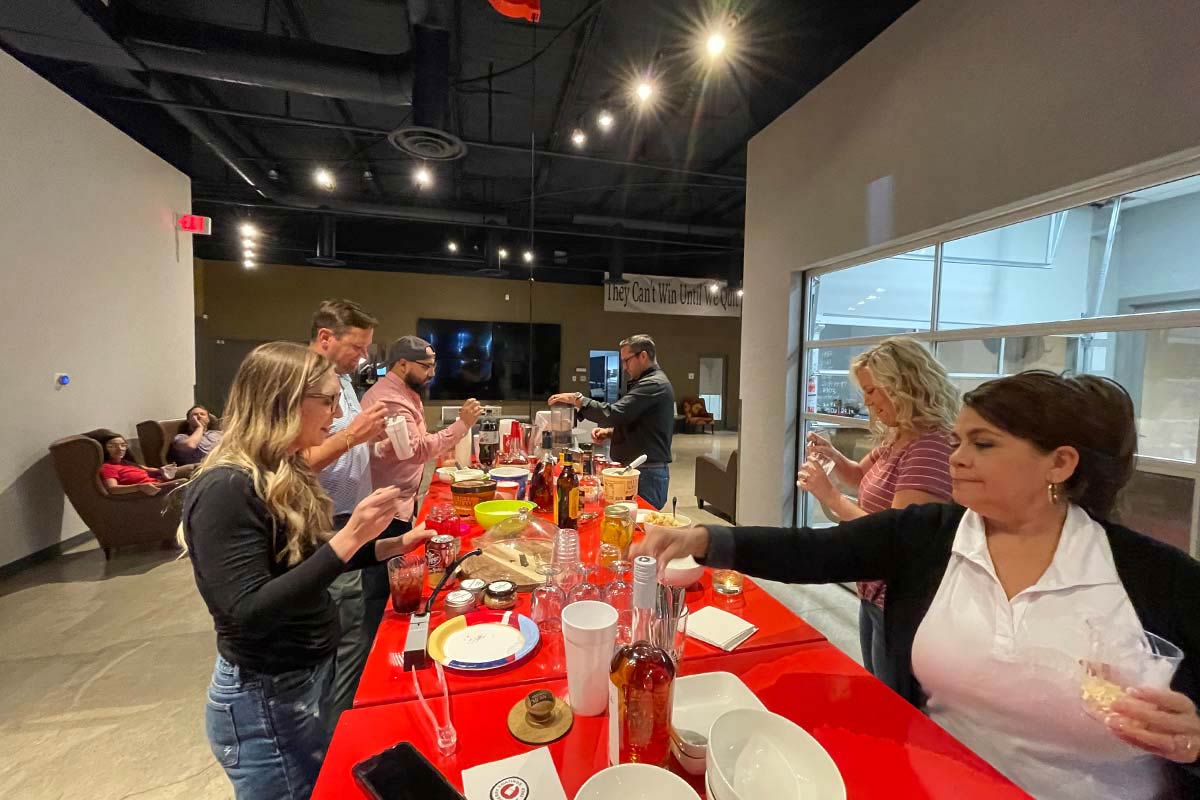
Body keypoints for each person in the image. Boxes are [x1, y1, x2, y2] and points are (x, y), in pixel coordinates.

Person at [635, 371, 1200, 799]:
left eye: (983, 444)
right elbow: (814, 551)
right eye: (957, 441)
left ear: (1059, 463)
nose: (955, 459)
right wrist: (706, 540)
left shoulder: (1157, 578)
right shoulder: (932, 535)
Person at [182, 342, 433, 800]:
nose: (338, 416)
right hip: (264, 699)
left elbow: (307, 553)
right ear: (283, 401)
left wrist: (389, 544)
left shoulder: (281, 469)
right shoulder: (226, 487)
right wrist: (348, 537)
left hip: (301, 681)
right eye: (328, 401)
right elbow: (247, 611)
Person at [798, 337, 958, 686]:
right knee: (877, 681)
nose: (867, 401)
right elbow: (859, 476)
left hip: (900, 599)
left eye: (872, 391)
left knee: (895, 695)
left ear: (903, 388)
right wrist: (833, 456)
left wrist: (831, 497)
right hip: (874, 587)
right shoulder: (900, 436)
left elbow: (897, 539)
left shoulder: (929, 448)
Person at [361, 335, 481, 636]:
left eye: (434, 366)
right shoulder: (390, 398)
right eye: (426, 366)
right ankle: (375, 657)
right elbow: (415, 450)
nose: (432, 373)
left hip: (399, 501)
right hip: (386, 509)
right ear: (402, 364)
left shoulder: (406, 392)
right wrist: (461, 425)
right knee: (384, 594)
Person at [304, 299, 389, 721]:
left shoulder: (344, 382)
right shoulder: (302, 384)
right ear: (325, 338)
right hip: (323, 522)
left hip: (353, 516)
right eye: (357, 347)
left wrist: (373, 440)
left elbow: (350, 439)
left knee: (359, 622)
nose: (364, 357)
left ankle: (348, 710)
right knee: (344, 630)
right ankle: (338, 726)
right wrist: (353, 437)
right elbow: (293, 461)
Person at [549, 334, 675, 509]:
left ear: (643, 356)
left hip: (647, 473)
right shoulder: (646, 383)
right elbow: (642, 424)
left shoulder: (654, 384)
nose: (624, 367)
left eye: (627, 360)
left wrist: (579, 400)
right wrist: (610, 433)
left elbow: (616, 413)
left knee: (641, 528)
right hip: (642, 470)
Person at [92, 430, 177, 495]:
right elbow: (112, 489)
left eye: (123, 445)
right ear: (104, 449)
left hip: (160, 483)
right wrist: (139, 487)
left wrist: (162, 470)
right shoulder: (108, 467)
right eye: (112, 446)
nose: (120, 449)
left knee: (188, 469)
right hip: (152, 491)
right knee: (183, 483)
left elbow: (148, 470)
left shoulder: (126, 463)